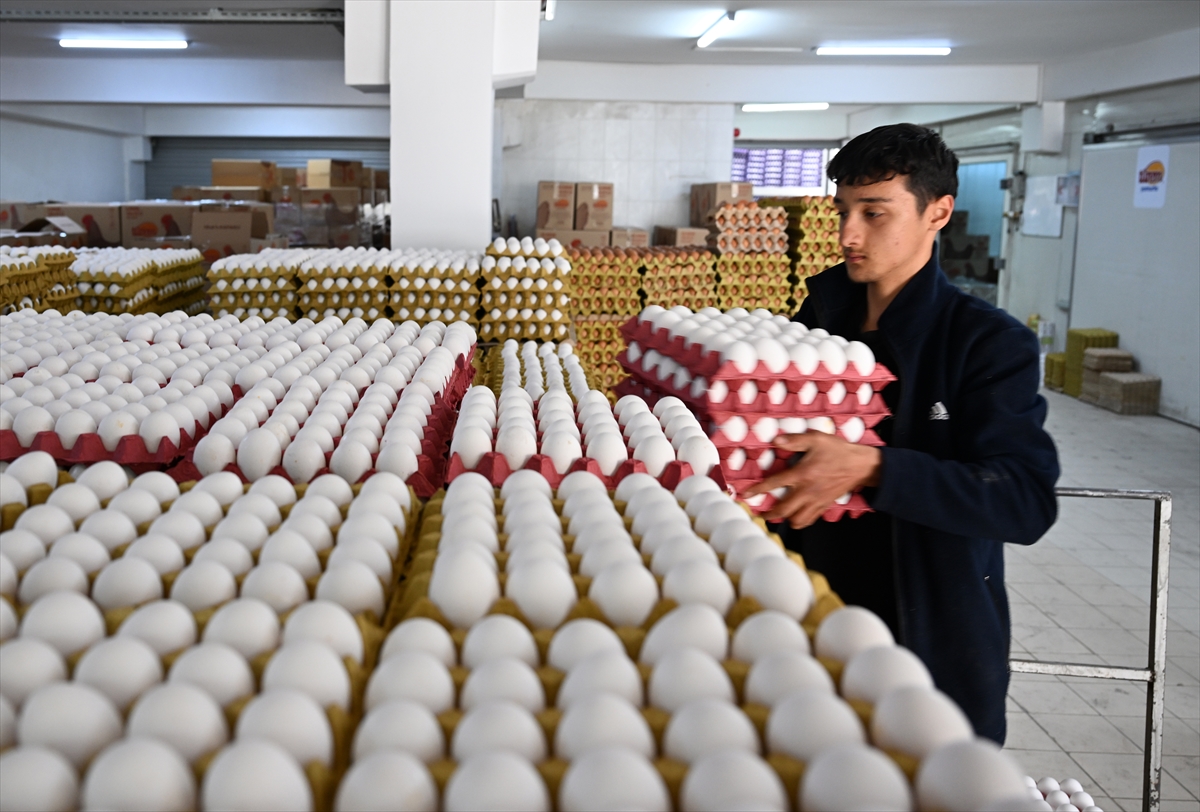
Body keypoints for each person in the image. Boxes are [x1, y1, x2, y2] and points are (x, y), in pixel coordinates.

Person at [744, 123, 1060, 744]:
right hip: (808, 623)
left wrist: (873, 467)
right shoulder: (815, 326)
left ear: (937, 212)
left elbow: (1024, 500)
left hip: (926, 636)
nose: (847, 235)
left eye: (874, 212)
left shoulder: (985, 344)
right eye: (842, 211)